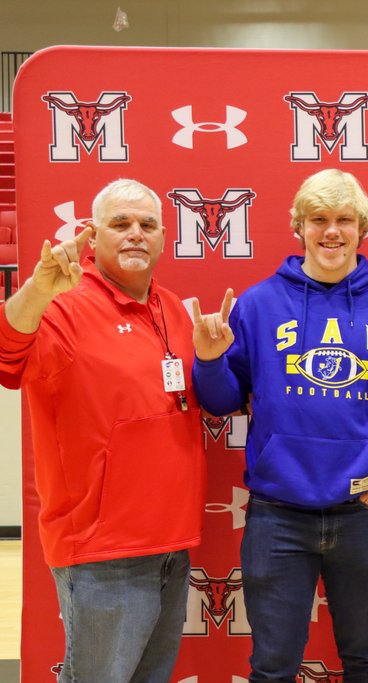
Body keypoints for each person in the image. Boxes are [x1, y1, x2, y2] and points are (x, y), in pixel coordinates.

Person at [190, 168, 368, 683]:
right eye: (318, 219)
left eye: (345, 220)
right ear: (299, 226)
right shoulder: (257, 304)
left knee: (365, 659)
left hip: (364, 513)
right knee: (273, 666)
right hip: (278, 516)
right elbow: (222, 403)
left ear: (363, 229)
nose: (332, 232)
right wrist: (210, 362)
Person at [0, 179, 206, 683]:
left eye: (147, 225)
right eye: (120, 224)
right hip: (101, 550)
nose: (135, 234)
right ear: (94, 236)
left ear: (163, 238)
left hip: (171, 542)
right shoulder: (62, 303)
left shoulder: (174, 308)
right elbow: (7, 359)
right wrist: (37, 290)